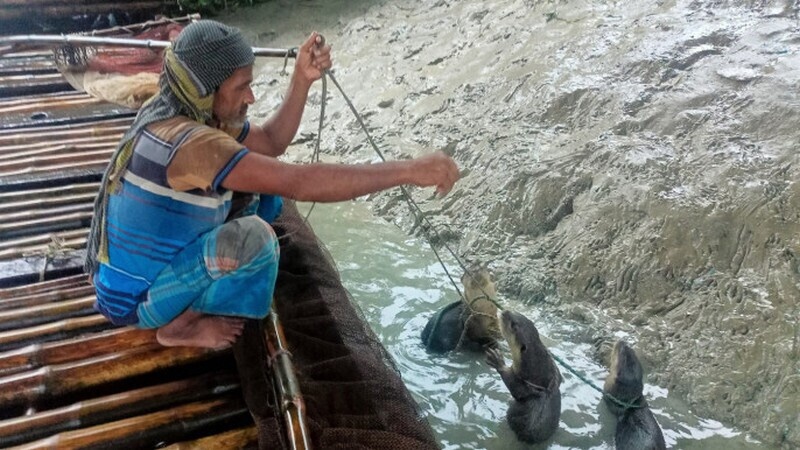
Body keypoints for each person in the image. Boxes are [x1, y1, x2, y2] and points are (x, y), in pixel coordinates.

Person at [84, 20, 459, 349]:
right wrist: (409, 171)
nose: (251, 97)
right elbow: (300, 181)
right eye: (242, 87)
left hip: (136, 277)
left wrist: (301, 79)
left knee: (266, 200)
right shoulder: (192, 144)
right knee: (256, 239)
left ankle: (190, 295)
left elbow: (270, 141)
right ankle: (181, 325)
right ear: (206, 91)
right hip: (136, 302)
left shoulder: (188, 112)